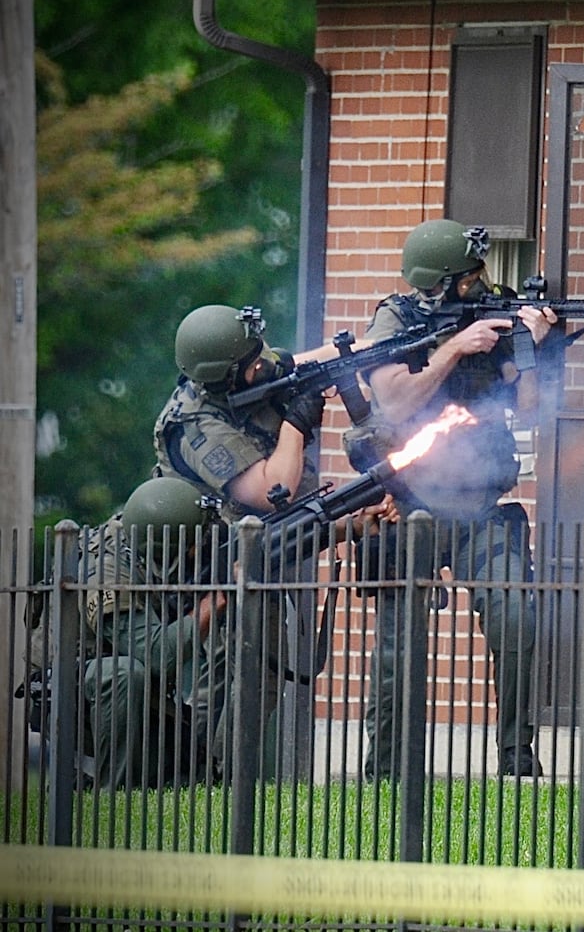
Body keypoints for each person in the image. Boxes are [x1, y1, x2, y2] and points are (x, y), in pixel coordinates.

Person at [356, 218, 557, 779]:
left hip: (484, 506)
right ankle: (386, 769)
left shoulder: (498, 309)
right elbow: (393, 401)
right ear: (440, 283)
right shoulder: (396, 318)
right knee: (399, 645)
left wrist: (528, 346)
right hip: (411, 508)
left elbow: (532, 408)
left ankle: (518, 758)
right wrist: (453, 349)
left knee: (517, 616)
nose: (483, 282)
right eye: (470, 277)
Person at [150, 303, 385, 776]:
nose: (264, 365)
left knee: (244, 678)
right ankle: (214, 777)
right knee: (240, 676)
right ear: (225, 376)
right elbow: (269, 491)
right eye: (253, 364)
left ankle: (207, 776)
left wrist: (377, 353)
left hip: (257, 553)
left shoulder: (247, 367)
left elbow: (302, 362)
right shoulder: (194, 427)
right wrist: (297, 423)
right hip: (212, 563)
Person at [80, 477, 226, 788]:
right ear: (168, 546)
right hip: (80, 685)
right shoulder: (108, 569)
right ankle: (113, 794)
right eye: (191, 546)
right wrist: (209, 606)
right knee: (124, 672)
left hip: (138, 687)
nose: (196, 551)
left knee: (187, 776)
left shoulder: (145, 537)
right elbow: (156, 654)